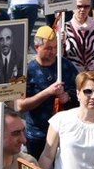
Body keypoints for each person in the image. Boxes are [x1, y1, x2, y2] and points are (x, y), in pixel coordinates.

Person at [18, 26, 78, 160]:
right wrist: (47, 92)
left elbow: (80, 91)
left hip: (64, 132)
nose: (53, 52)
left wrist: (67, 97)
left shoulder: (65, 65)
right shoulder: (27, 70)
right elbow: (20, 105)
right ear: (36, 47)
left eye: (55, 47)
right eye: (48, 48)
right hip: (37, 134)